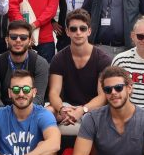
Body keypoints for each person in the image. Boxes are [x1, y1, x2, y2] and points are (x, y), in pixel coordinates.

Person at [47, 9, 112, 137]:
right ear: (67, 32)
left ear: (89, 31)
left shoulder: (103, 59)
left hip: (92, 108)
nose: (78, 33)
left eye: (82, 28)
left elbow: (102, 96)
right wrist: (62, 109)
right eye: (73, 29)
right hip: (66, 106)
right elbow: (54, 92)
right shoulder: (59, 58)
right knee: (47, 113)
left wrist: (82, 110)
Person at [0, 20, 51, 107]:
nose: (18, 40)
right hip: (2, 110)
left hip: (31, 110)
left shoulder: (40, 63)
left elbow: (38, 98)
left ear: (30, 41)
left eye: (23, 37)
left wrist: (21, 113)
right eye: (13, 37)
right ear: (7, 40)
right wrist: (8, 114)